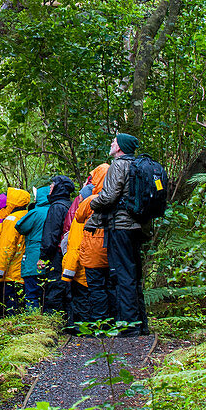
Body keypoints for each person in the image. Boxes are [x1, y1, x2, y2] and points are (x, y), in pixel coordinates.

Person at [87, 133, 150, 337]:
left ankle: (129, 326)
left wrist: (91, 203)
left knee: (122, 275)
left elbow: (109, 196)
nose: (112, 144)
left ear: (121, 147)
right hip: (137, 227)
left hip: (120, 227)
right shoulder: (138, 165)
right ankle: (141, 324)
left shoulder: (119, 165)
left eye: (115, 142)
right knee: (134, 274)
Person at [68, 164, 110, 329]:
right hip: (112, 250)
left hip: (94, 250)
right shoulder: (119, 199)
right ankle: (110, 323)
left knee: (96, 288)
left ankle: (98, 324)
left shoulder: (93, 200)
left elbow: (78, 216)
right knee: (110, 287)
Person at [39, 175, 76, 315]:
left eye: (53, 184)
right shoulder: (70, 205)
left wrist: (43, 256)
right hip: (67, 253)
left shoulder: (57, 207)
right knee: (66, 288)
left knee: (54, 288)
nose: (50, 187)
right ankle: (68, 322)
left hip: (57, 255)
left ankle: (53, 322)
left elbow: (51, 235)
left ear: (59, 188)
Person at [0, 188, 33, 316]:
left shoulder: (11, 220)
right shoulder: (28, 215)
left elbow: (6, 248)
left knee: (10, 310)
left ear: (13, 202)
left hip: (11, 273)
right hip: (24, 271)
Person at [14, 185, 51, 310]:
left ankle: (32, 320)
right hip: (50, 257)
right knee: (46, 294)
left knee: (31, 293)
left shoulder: (36, 212)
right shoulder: (54, 210)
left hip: (33, 256)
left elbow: (20, 226)